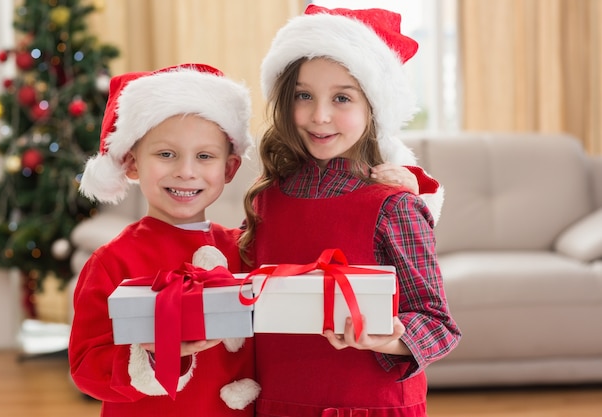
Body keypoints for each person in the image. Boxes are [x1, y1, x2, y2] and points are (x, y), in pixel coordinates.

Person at [239, 5, 461, 417]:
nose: (319, 116)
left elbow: (438, 326)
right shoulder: (264, 200)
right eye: (304, 95)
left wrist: (387, 338)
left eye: (342, 97)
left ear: (373, 109)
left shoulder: (395, 205)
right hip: (278, 403)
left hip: (370, 405)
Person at [68, 63, 261, 417]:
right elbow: (86, 367)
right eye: (166, 154)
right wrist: (155, 355)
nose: (186, 171)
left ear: (229, 169)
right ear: (132, 164)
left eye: (205, 156)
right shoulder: (113, 261)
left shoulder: (245, 249)